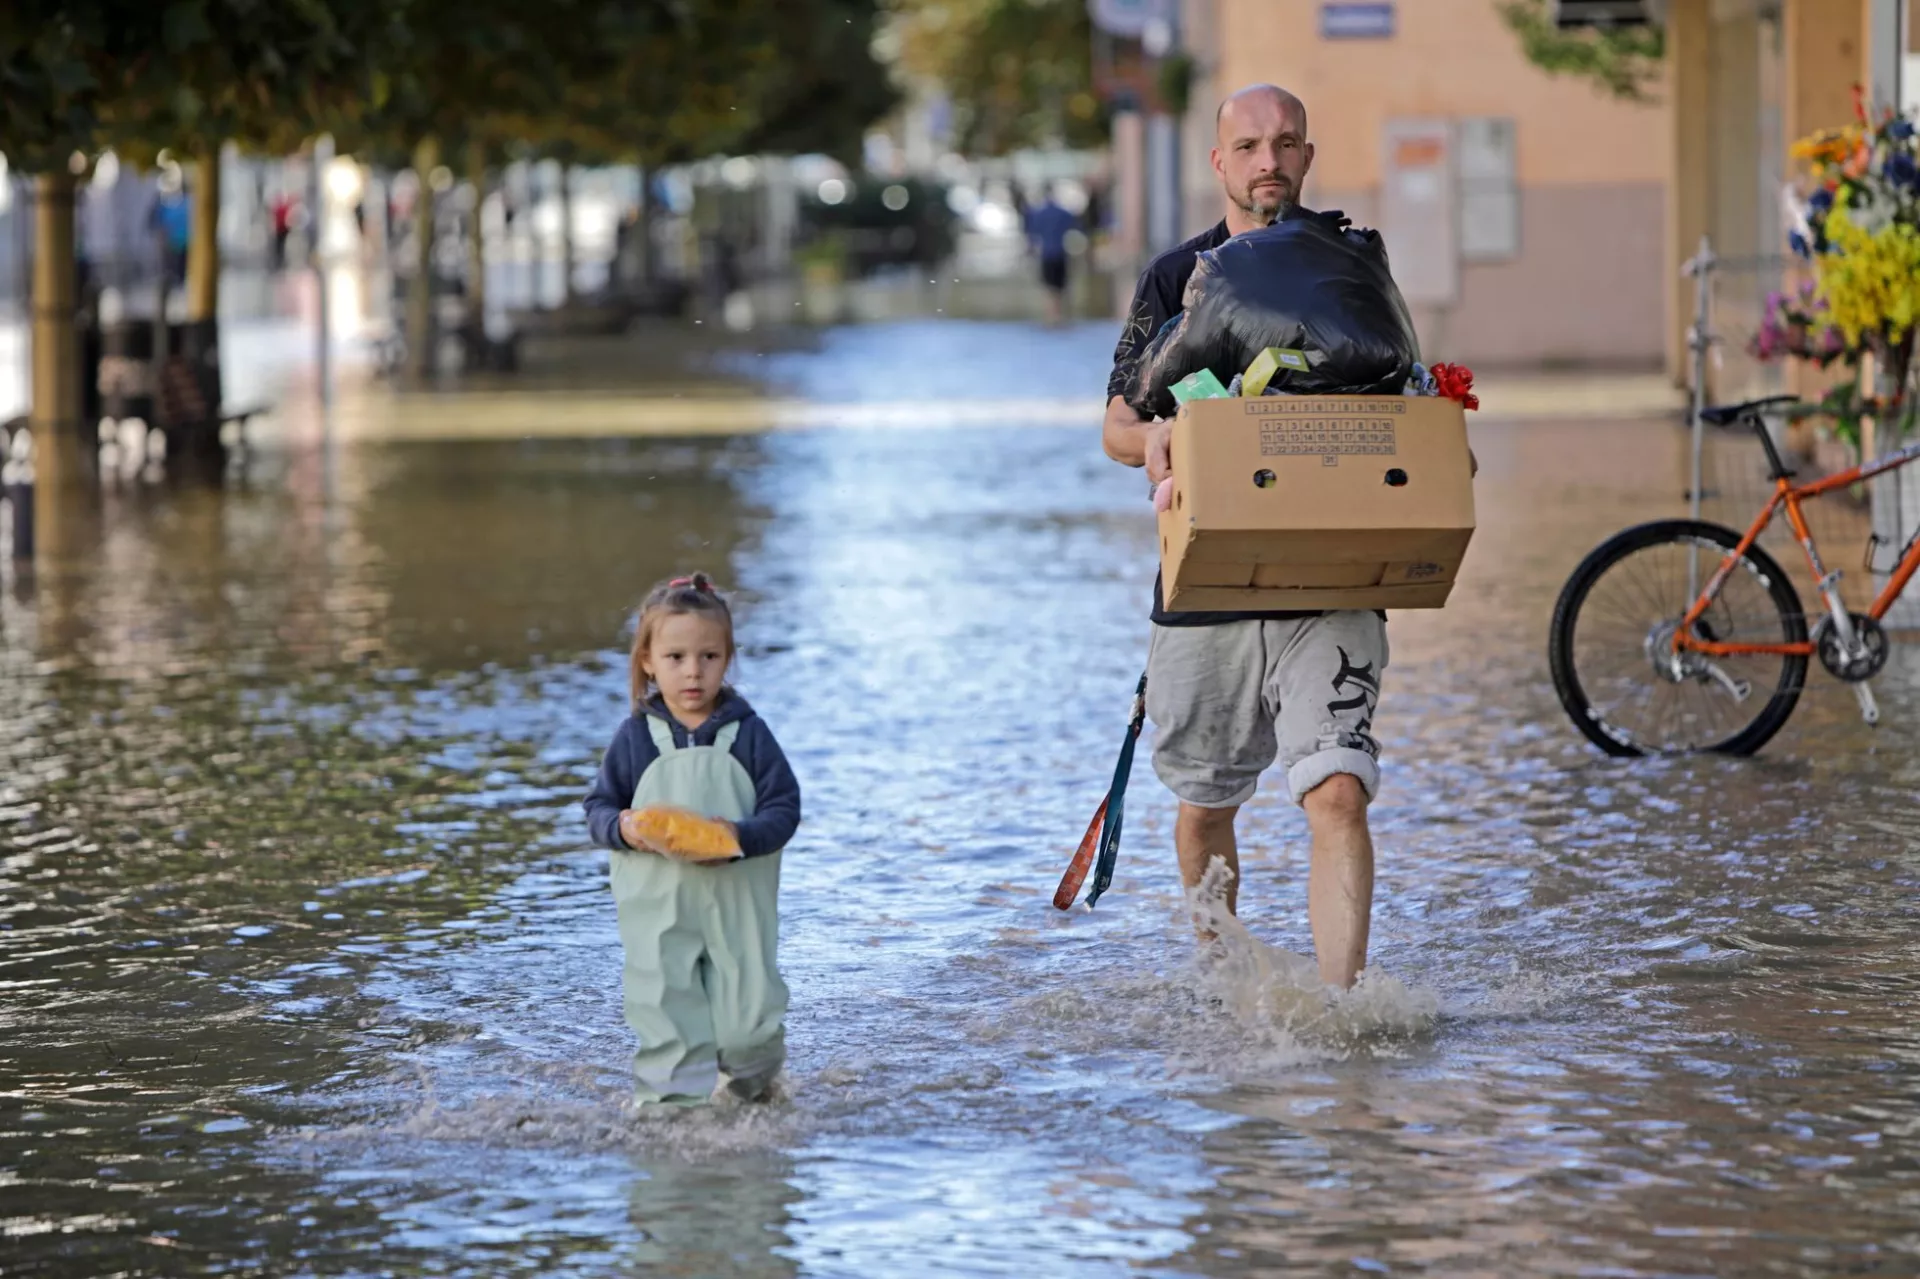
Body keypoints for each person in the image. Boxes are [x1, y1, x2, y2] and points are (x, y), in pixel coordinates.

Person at [1101, 84, 1387, 990]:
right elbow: (1114, 421)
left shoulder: (1352, 262)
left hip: (1331, 575)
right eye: (1251, 145)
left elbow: (1398, 384)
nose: (1270, 160)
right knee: (1203, 804)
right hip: (1206, 583)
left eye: (1287, 143)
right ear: (1219, 163)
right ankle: (1227, 988)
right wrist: (1149, 436)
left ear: (1308, 156)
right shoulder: (1173, 275)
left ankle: (1341, 1012)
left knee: (1338, 789)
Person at [583, 573, 802, 1106]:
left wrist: (738, 835)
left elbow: (785, 810)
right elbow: (598, 809)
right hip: (660, 912)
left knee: (749, 1025)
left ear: (727, 659)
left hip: (736, 906)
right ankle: (670, 1125)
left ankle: (754, 1092)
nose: (692, 671)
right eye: (676, 657)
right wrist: (626, 828)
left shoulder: (748, 734)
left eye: (709, 656)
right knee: (667, 1019)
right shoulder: (636, 737)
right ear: (648, 662)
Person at [1024, 185, 1079, 324]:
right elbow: (1076, 227)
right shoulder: (1063, 213)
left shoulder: (1038, 214)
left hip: (1047, 254)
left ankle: (1051, 317)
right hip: (1060, 253)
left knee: (1049, 288)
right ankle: (1061, 316)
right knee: (1061, 287)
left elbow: (1032, 235)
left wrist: (1030, 250)